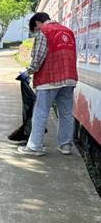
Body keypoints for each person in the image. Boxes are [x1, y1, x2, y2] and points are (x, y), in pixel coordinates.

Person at [17, 12, 77, 156]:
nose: (36, 32)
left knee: (41, 112)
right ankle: (66, 145)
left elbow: (38, 59)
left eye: (35, 29)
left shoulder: (43, 32)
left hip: (49, 79)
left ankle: (34, 147)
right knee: (66, 113)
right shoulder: (68, 32)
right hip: (69, 78)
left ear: (38, 23)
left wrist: (27, 72)